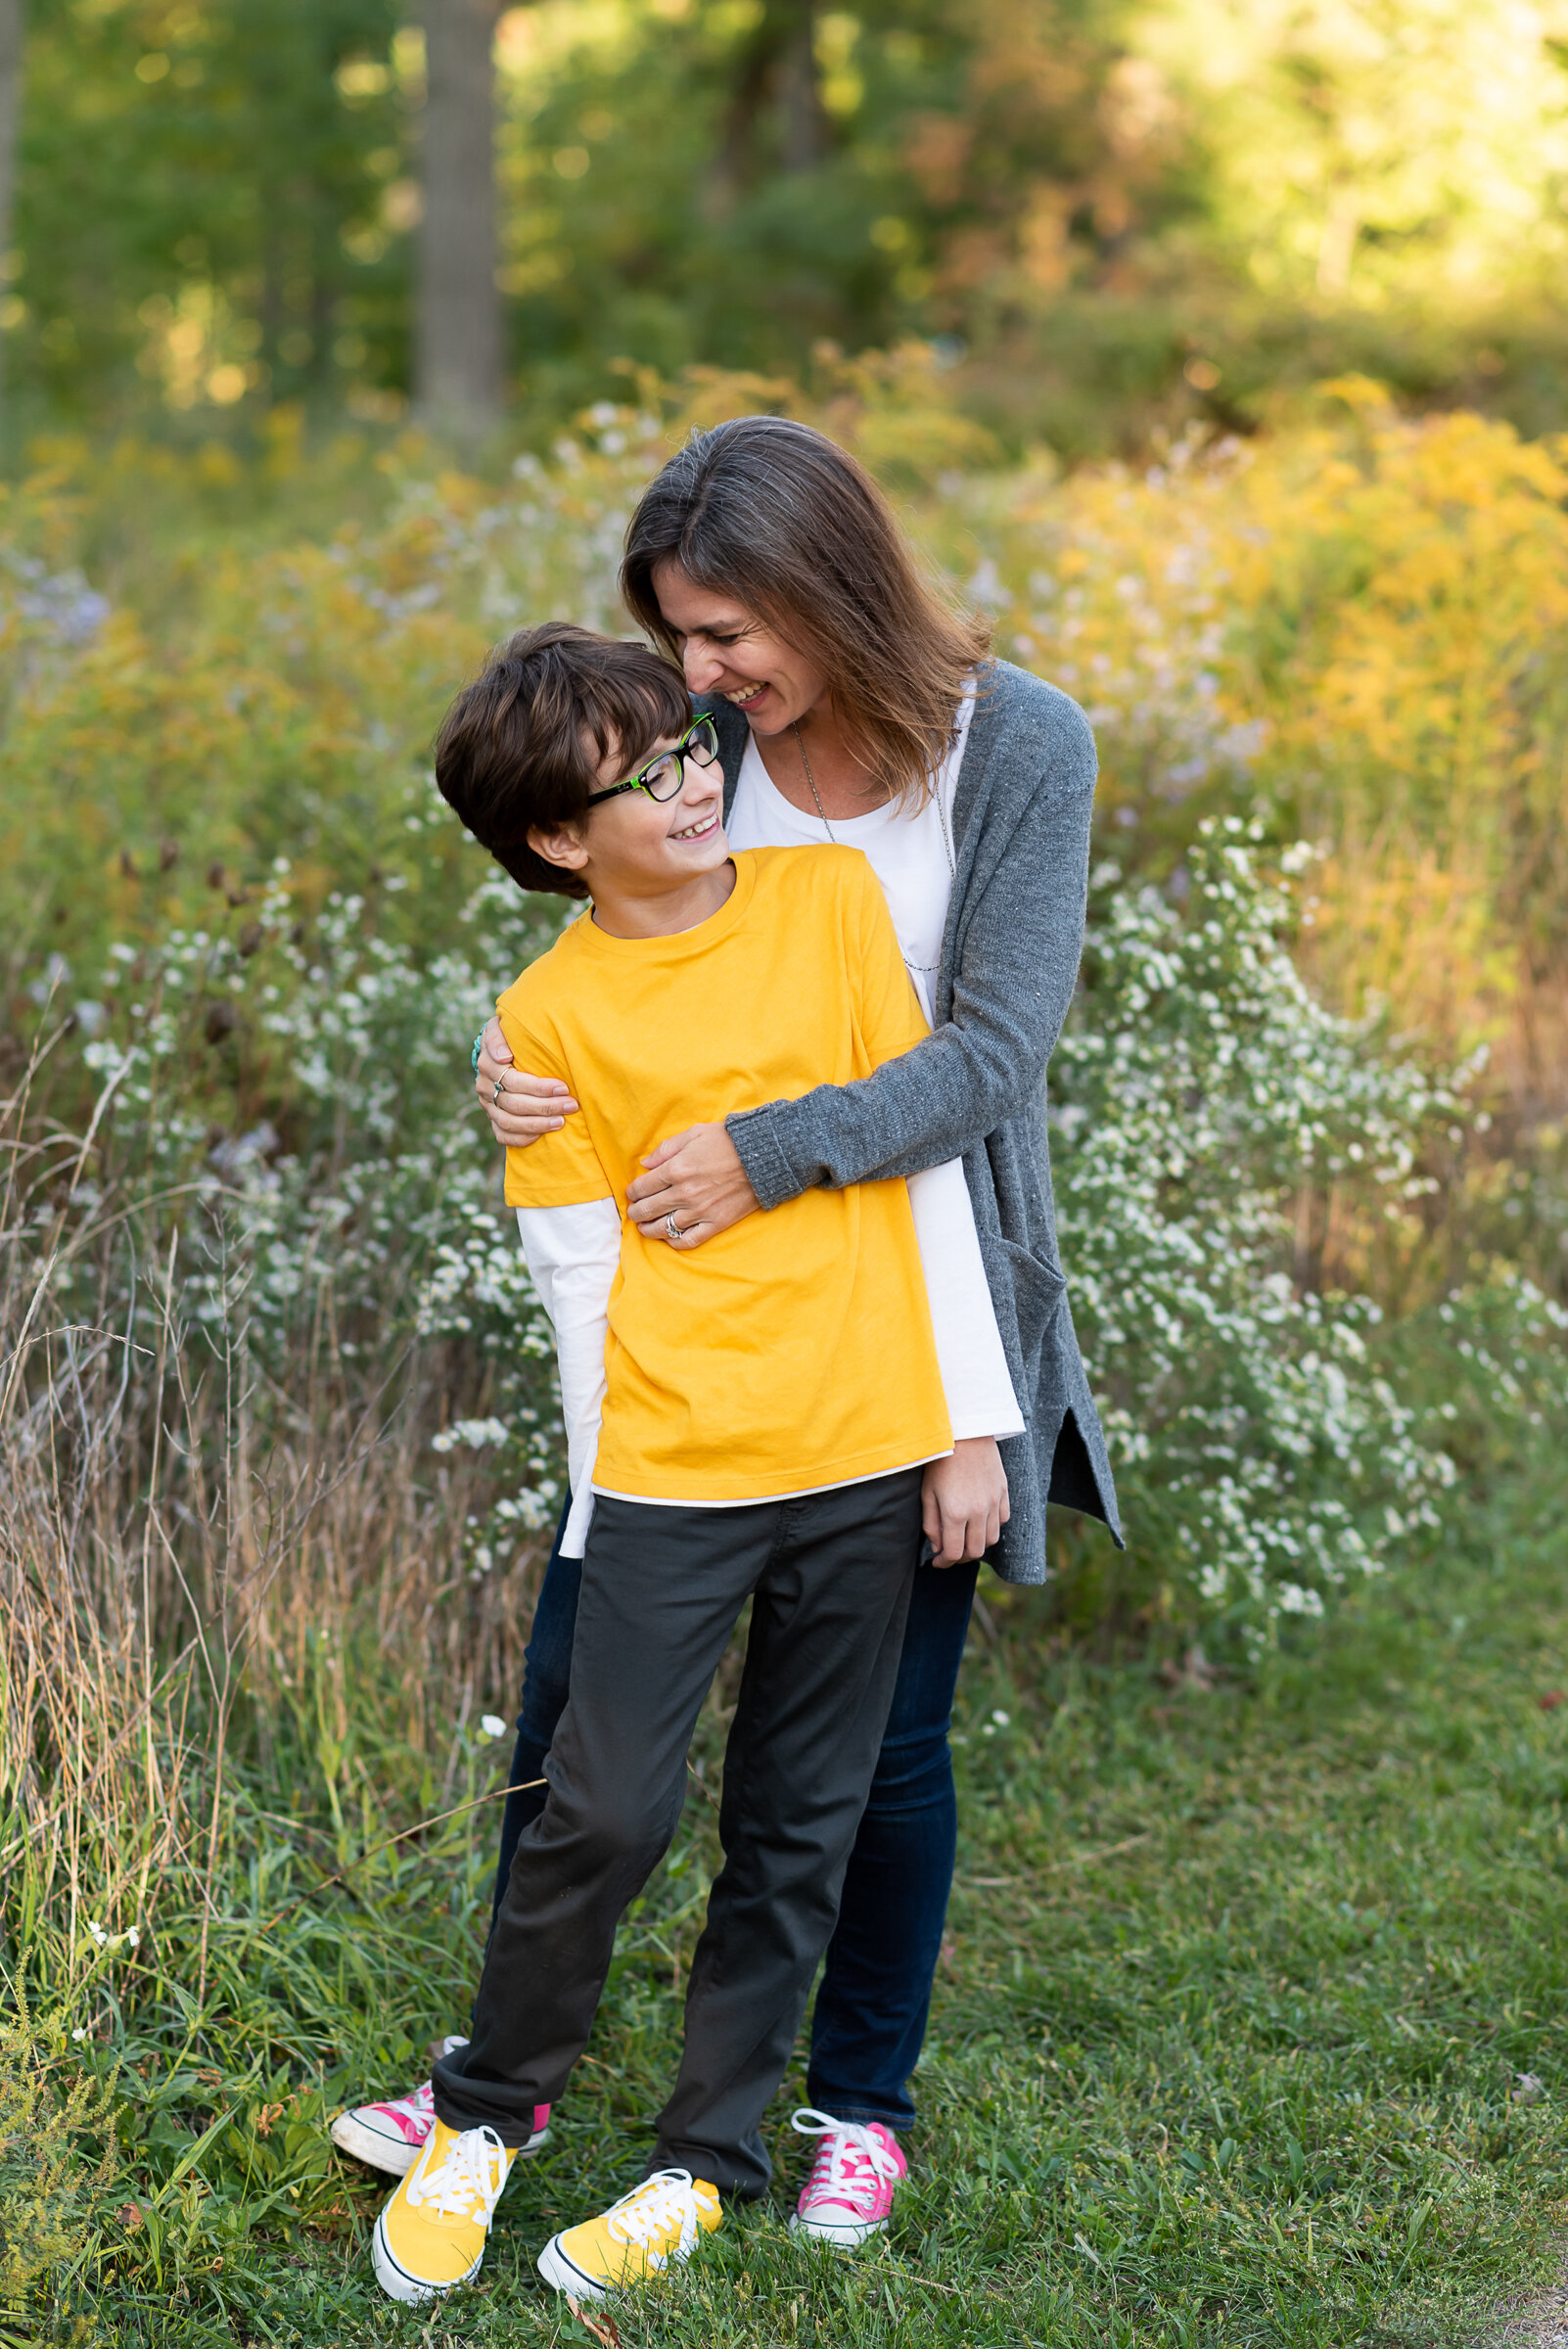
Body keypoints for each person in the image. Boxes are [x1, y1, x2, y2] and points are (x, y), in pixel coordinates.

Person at [335, 416, 1123, 2252]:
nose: (703, 684)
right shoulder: (703, 758)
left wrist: (764, 1164)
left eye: (725, 635)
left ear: (823, 582)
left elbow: (994, 1056)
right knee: (574, 1704)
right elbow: (614, 926)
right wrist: (523, 1069)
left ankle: (852, 2099)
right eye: (679, 645)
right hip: (680, 1362)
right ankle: (497, 2074)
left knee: (873, 1757)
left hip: (900, 1322)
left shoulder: (1019, 749)